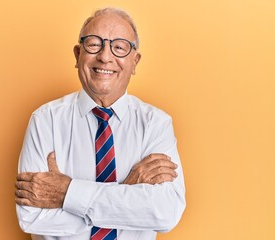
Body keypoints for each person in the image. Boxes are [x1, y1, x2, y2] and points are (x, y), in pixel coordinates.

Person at [15, 7, 185, 240]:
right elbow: (31, 218)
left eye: (119, 47)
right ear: (77, 55)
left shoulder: (156, 124)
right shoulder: (45, 120)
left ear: (135, 62)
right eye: (94, 44)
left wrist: (66, 193)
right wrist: (127, 191)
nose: (105, 56)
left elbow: (165, 213)